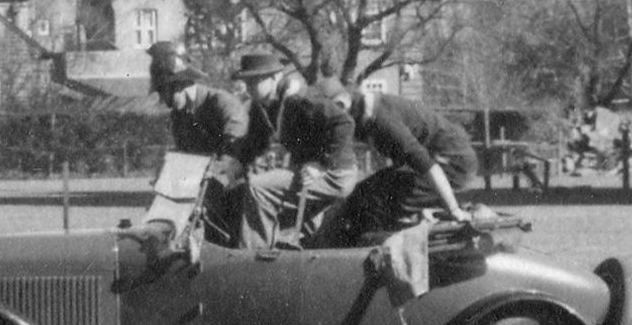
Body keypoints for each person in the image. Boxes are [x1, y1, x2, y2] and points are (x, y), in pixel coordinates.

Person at [322, 86, 479, 243]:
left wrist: (454, 209)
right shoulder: (364, 113)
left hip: (453, 165)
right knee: (362, 194)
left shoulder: (383, 121)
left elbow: (428, 166)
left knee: (371, 200)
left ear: (342, 106)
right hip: (440, 161)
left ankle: (375, 253)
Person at [234, 53, 359, 248]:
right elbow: (254, 142)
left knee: (258, 188)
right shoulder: (264, 105)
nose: (249, 87)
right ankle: (301, 248)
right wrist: (236, 165)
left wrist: (321, 165)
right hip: (308, 171)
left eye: (255, 81)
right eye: (246, 82)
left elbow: (344, 123)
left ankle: (253, 258)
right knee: (251, 184)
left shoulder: (300, 99)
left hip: (335, 174)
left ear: (275, 77)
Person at [152, 52, 256, 245]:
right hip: (207, 186)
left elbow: (236, 151)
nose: (162, 101)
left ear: (179, 85)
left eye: (162, 92)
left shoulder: (222, 102)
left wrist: (206, 174)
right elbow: (184, 155)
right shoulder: (179, 115)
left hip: (238, 182)